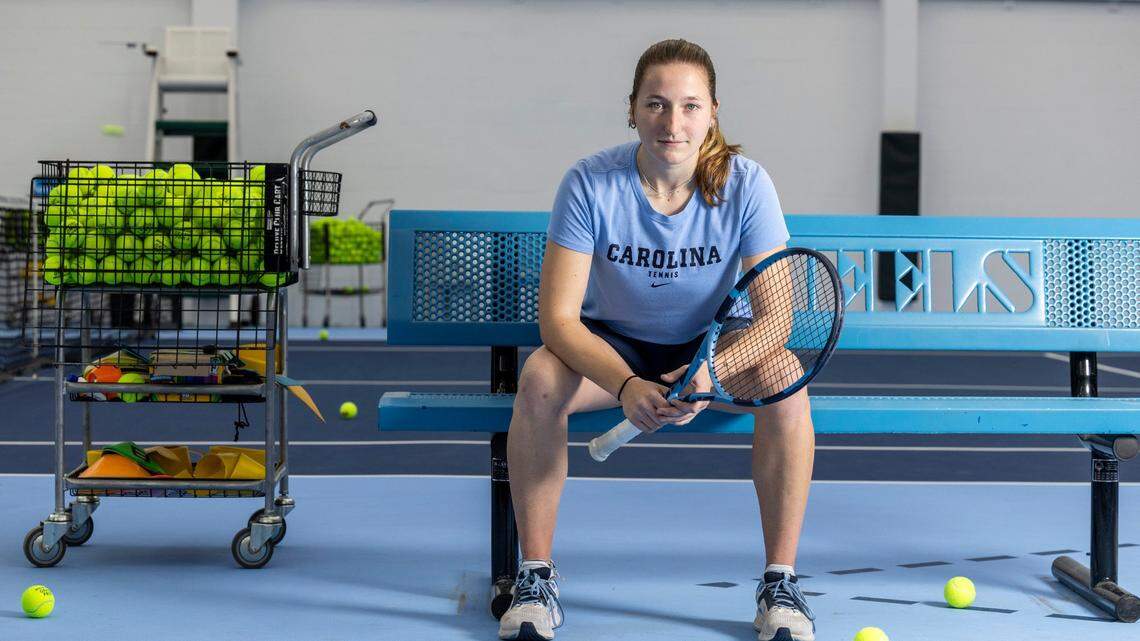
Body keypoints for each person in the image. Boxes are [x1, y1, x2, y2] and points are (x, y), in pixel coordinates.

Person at [498, 39, 817, 641]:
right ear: (632, 109)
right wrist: (625, 385)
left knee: (786, 382)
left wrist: (711, 375)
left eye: (690, 106)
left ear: (714, 112)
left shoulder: (747, 185)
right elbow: (559, 322)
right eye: (657, 104)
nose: (673, 123)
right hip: (614, 351)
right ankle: (535, 580)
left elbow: (776, 323)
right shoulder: (589, 184)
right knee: (540, 379)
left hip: (711, 350)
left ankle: (780, 583)